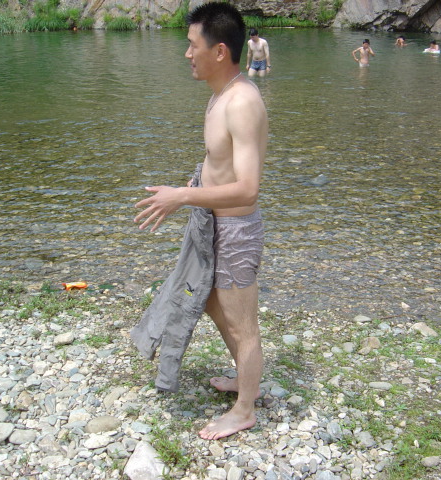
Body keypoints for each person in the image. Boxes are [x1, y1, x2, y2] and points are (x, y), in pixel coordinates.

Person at [134, 2, 268, 441]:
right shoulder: (221, 95)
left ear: (220, 51)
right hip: (214, 228)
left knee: (242, 324)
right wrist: (191, 187)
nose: (187, 53)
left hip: (235, 232)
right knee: (211, 303)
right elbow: (221, 165)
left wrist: (183, 196)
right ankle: (245, 380)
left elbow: (247, 188)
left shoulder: (242, 103)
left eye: (193, 45)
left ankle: (245, 409)